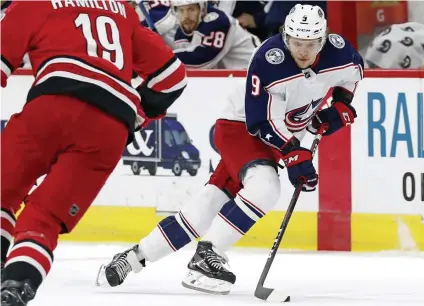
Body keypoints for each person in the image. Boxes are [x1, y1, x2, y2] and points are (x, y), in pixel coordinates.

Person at [96, 4, 363, 295]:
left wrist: (340, 104)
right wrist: (294, 152)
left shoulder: (339, 52)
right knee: (265, 188)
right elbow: (260, 123)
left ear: (322, 41)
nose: (302, 51)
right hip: (241, 127)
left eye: (310, 44)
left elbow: (353, 74)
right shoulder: (268, 59)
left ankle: (134, 257)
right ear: (286, 37)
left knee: (209, 203)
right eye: (297, 43)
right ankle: (207, 257)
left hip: (282, 133)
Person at [0, 0, 187, 305]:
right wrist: (135, 117)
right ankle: (17, 283)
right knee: (43, 218)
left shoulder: (34, 3)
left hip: (51, 107)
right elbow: (173, 77)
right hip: (110, 126)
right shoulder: (122, 10)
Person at [170, 0, 261, 69]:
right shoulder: (182, 30)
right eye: (181, 10)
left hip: (253, 69)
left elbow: (202, 61)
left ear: (202, 9)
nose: (186, 16)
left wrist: (162, 58)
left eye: (191, 9)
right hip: (230, 76)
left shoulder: (219, 22)